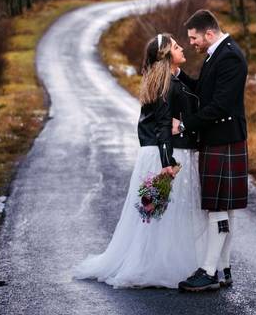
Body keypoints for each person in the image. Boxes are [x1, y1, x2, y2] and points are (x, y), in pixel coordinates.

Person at [72, 33, 207, 288]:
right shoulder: (166, 82)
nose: (182, 49)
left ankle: (153, 260)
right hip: (167, 153)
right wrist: (167, 161)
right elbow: (164, 125)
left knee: (156, 213)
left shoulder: (164, 78)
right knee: (162, 212)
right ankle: (154, 266)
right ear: (168, 56)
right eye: (177, 47)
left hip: (158, 152)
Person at [173, 9, 249, 292]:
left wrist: (183, 126)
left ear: (208, 33)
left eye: (194, 38)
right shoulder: (216, 54)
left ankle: (208, 271)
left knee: (216, 207)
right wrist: (178, 74)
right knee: (223, 208)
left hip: (224, 139)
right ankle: (224, 268)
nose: (191, 43)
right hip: (219, 139)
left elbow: (219, 106)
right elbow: (205, 94)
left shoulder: (230, 56)